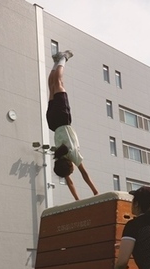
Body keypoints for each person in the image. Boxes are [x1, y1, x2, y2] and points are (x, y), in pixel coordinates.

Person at [46, 50, 98, 201]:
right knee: (52, 87)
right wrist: (76, 199)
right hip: (53, 123)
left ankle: (63, 59)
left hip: (62, 118)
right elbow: (69, 182)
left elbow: (84, 175)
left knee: (59, 83)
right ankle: (56, 61)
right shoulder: (59, 155)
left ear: (70, 165)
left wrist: (95, 191)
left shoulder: (73, 155)